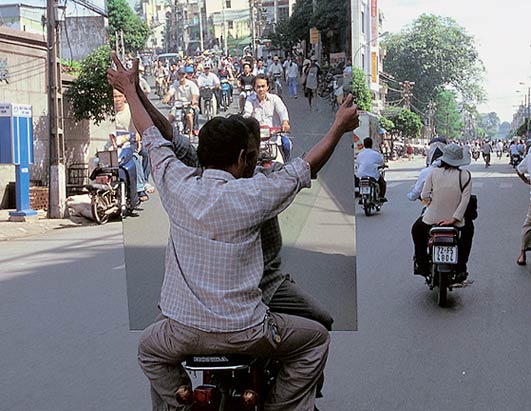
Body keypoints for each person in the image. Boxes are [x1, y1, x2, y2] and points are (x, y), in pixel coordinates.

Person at [107, 53, 359, 411]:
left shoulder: (178, 181)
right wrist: (338, 127)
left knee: (150, 349)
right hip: (245, 325)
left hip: (215, 311)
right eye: (250, 155)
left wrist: (132, 91)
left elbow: (152, 136)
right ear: (242, 156)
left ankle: (180, 402)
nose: (255, 161)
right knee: (315, 337)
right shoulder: (257, 192)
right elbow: (306, 167)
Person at [411, 143, 473, 280]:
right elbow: (465, 200)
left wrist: (431, 204)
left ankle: (422, 264)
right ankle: (461, 267)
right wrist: (454, 219)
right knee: (468, 232)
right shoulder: (465, 175)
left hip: (431, 219)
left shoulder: (433, 172)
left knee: (416, 230)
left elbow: (424, 195)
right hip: (456, 222)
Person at [163, 67, 199, 139]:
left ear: (185, 75)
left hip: (188, 104)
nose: (181, 76)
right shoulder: (175, 84)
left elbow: (195, 94)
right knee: (170, 116)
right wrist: (166, 98)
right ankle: (168, 133)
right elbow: (170, 92)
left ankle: (190, 132)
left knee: (189, 116)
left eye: (183, 74)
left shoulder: (191, 84)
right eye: (180, 74)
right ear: (178, 75)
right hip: (177, 104)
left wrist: (193, 100)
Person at [356, 137, 387, 202]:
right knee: (382, 183)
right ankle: (381, 197)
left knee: (361, 183)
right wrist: (382, 166)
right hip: (372, 174)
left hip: (361, 174)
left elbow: (358, 163)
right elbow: (381, 162)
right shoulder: (376, 154)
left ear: (364, 145)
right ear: (371, 144)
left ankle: (361, 196)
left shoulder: (360, 154)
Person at [516, 142, 531, 265]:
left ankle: (522, 254)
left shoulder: (529, 157)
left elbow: (519, 170)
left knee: (528, 224)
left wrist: (526, 180)